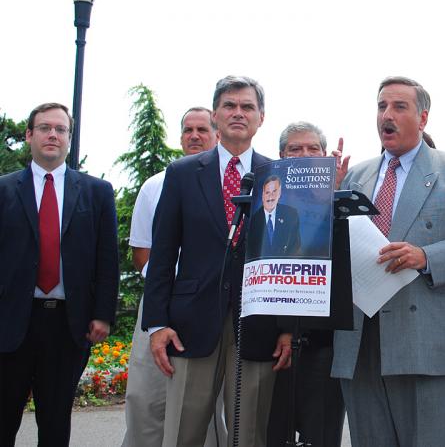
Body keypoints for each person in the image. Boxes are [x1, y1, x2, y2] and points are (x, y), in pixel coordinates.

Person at [332, 76, 445, 447]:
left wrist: (425, 256)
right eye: (381, 106)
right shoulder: (356, 175)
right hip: (361, 342)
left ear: (423, 118)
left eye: (399, 107)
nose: (386, 115)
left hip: (425, 344)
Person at [143, 76, 291, 447]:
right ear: (215, 115)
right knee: (183, 434)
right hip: (191, 323)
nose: (238, 113)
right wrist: (157, 323)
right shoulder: (181, 174)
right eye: (229, 105)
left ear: (261, 117)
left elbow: (289, 257)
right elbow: (162, 254)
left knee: (250, 434)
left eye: (247, 107)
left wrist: (289, 327)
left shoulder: (280, 176)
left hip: (259, 322)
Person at [0, 102, 119, 446]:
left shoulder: (97, 193)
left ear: (69, 137)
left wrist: (102, 314)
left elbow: (107, 259)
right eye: (44, 128)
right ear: (29, 136)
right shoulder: (5, 190)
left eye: (60, 129)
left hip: (67, 326)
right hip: (11, 324)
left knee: (55, 425)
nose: (53, 135)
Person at [122, 107, 222, 447]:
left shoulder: (234, 184)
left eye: (202, 129)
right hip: (161, 302)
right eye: (187, 130)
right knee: (146, 397)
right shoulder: (156, 185)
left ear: (217, 133)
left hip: (209, 305)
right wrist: (169, 296)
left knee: (203, 401)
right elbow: (142, 252)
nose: (194, 136)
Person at [266, 121, 348, 447]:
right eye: (295, 149)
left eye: (313, 149)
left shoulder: (343, 200)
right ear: (281, 157)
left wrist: (329, 199)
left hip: (325, 343)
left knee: (321, 434)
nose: (305, 155)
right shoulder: (267, 203)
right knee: (273, 433)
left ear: (325, 156)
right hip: (272, 345)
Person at [247, 175, 301, 258]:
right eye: (267, 192)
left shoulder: (291, 215)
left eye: (274, 192)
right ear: (263, 195)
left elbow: (295, 247)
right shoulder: (253, 220)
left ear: (279, 194)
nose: (271, 197)